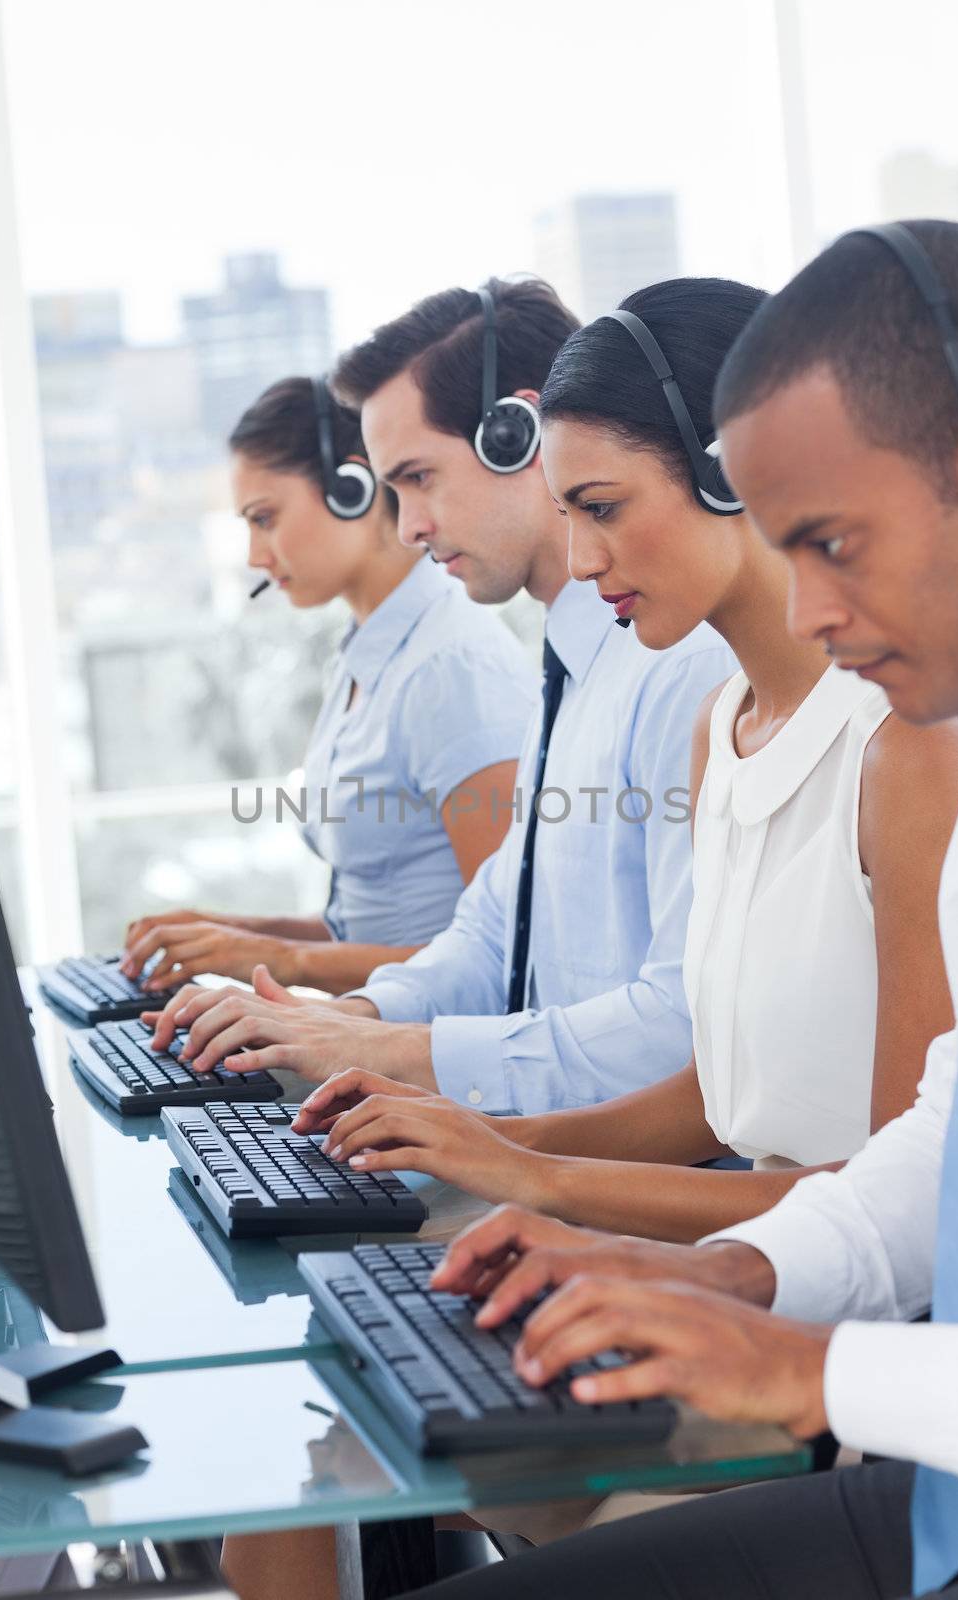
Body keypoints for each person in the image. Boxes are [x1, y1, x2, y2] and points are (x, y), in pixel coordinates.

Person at [394, 219, 958, 1600]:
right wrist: (732, 1277)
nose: (815, 607)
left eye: (832, 542)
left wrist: (806, 1361)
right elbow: (933, 1157)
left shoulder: (923, 761)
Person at [280, 275, 958, 1252]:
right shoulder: (721, 724)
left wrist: (537, 1175)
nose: (576, 559)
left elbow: (899, 1199)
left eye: (602, 506)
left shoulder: (904, 747)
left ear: (730, 470)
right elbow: (715, 1092)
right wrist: (492, 1147)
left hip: (829, 1309)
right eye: (568, 511)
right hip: (738, 1260)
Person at [145, 277, 738, 1109]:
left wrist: (374, 1041)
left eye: (419, 479)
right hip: (546, 1142)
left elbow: (681, 1032)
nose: (409, 524)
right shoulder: (571, 669)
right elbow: (495, 927)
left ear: (515, 434)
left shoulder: (677, 667)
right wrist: (348, 1021)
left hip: (622, 1172)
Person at [120, 376, 535, 996]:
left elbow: (507, 952)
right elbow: (365, 924)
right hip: (363, 1042)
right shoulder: (363, 659)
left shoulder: (452, 669)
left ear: (353, 489)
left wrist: (273, 958)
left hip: (433, 1068)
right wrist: (222, 934)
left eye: (265, 519)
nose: (256, 556)